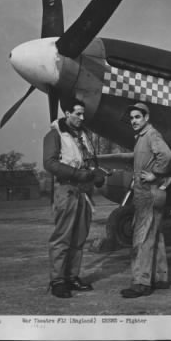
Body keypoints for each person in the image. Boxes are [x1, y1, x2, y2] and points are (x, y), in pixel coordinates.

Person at [43, 98, 105, 298]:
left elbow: (91, 160)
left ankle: (71, 277)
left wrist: (97, 175)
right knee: (63, 237)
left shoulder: (84, 136)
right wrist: (78, 174)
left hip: (85, 193)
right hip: (67, 191)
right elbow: (50, 163)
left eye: (83, 114)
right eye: (77, 113)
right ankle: (58, 281)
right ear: (67, 113)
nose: (81, 117)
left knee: (79, 237)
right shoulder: (54, 135)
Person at [121, 102, 171, 298]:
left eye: (137, 117)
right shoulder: (143, 137)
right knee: (155, 235)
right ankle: (160, 277)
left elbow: (166, 155)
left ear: (146, 118)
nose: (133, 121)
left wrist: (155, 174)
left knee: (141, 237)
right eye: (132, 118)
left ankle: (141, 283)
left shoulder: (151, 135)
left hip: (148, 193)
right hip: (152, 193)